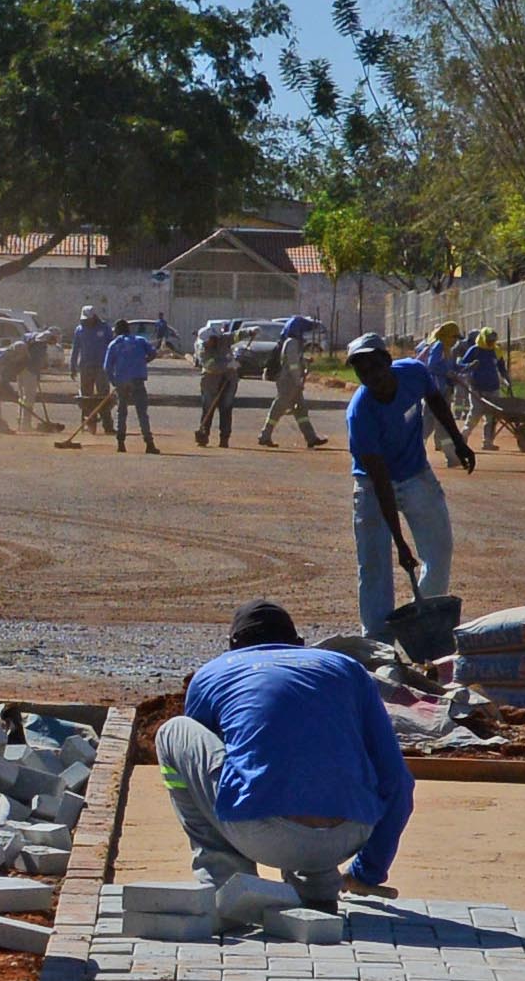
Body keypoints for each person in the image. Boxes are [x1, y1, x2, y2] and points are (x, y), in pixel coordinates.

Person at [160, 600, 413, 911]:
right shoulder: (346, 669)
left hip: (260, 834)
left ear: (232, 646)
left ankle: (227, 882)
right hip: (347, 835)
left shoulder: (213, 673)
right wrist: (368, 871)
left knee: (173, 732)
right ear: (299, 643)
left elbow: (212, 769)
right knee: (317, 748)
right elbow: (398, 781)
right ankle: (316, 886)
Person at [341, 332, 470, 638]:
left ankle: (420, 627)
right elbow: (381, 480)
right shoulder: (360, 413)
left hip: (416, 474)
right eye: (362, 371)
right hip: (373, 486)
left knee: (439, 553)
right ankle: (377, 642)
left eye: (375, 366)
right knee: (374, 566)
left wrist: (457, 440)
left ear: (388, 361)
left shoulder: (413, 371)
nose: (371, 376)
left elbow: (435, 399)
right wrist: (399, 543)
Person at [261, 312, 327, 449]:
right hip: (288, 381)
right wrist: (298, 381)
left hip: (292, 381)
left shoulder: (293, 342)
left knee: (301, 410)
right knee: (279, 407)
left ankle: (311, 438)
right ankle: (264, 435)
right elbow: (292, 365)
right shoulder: (292, 342)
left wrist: (305, 361)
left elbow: (294, 360)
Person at [101, 318, 160, 453]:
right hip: (137, 379)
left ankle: (121, 443)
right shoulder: (139, 340)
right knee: (142, 412)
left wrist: (113, 381)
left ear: (117, 331)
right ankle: (149, 443)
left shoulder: (114, 344)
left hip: (121, 380)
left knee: (121, 411)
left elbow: (107, 367)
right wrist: (143, 361)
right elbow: (153, 353)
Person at [195, 320, 244, 447]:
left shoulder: (224, 339)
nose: (207, 343)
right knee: (208, 407)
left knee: (226, 408)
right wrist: (230, 365)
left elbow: (236, 335)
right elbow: (212, 367)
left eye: (209, 340)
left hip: (229, 379)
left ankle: (224, 438)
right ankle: (204, 435)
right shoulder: (202, 349)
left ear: (215, 337)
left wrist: (250, 331)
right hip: (210, 380)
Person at [70, 307, 112, 432]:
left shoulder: (105, 328)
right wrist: (72, 367)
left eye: (89, 319)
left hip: (102, 367)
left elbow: (111, 346)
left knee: (103, 396)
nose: (86, 322)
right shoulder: (79, 330)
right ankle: (88, 424)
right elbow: (75, 349)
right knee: (86, 397)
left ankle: (107, 425)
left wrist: (112, 365)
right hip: (85, 367)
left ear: (94, 317)